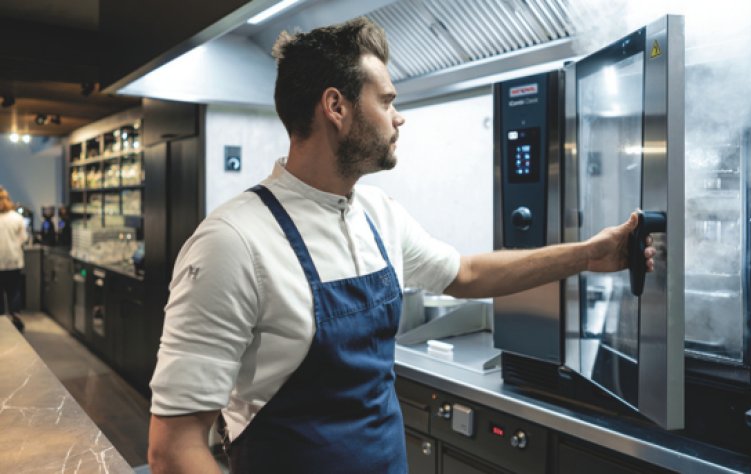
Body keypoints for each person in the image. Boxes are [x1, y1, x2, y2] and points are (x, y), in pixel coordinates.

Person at [147, 18, 656, 474]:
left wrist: (587, 255)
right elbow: (174, 449)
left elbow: (467, 274)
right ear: (336, 107)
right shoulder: (233, 242)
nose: (399, 117)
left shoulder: (377, 215)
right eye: (387, 100)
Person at [0, 187, 27, 332]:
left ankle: (1, 323)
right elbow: (23, 239)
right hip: (14, 262)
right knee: (14, 291)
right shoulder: (17, 218)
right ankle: (16, 318)